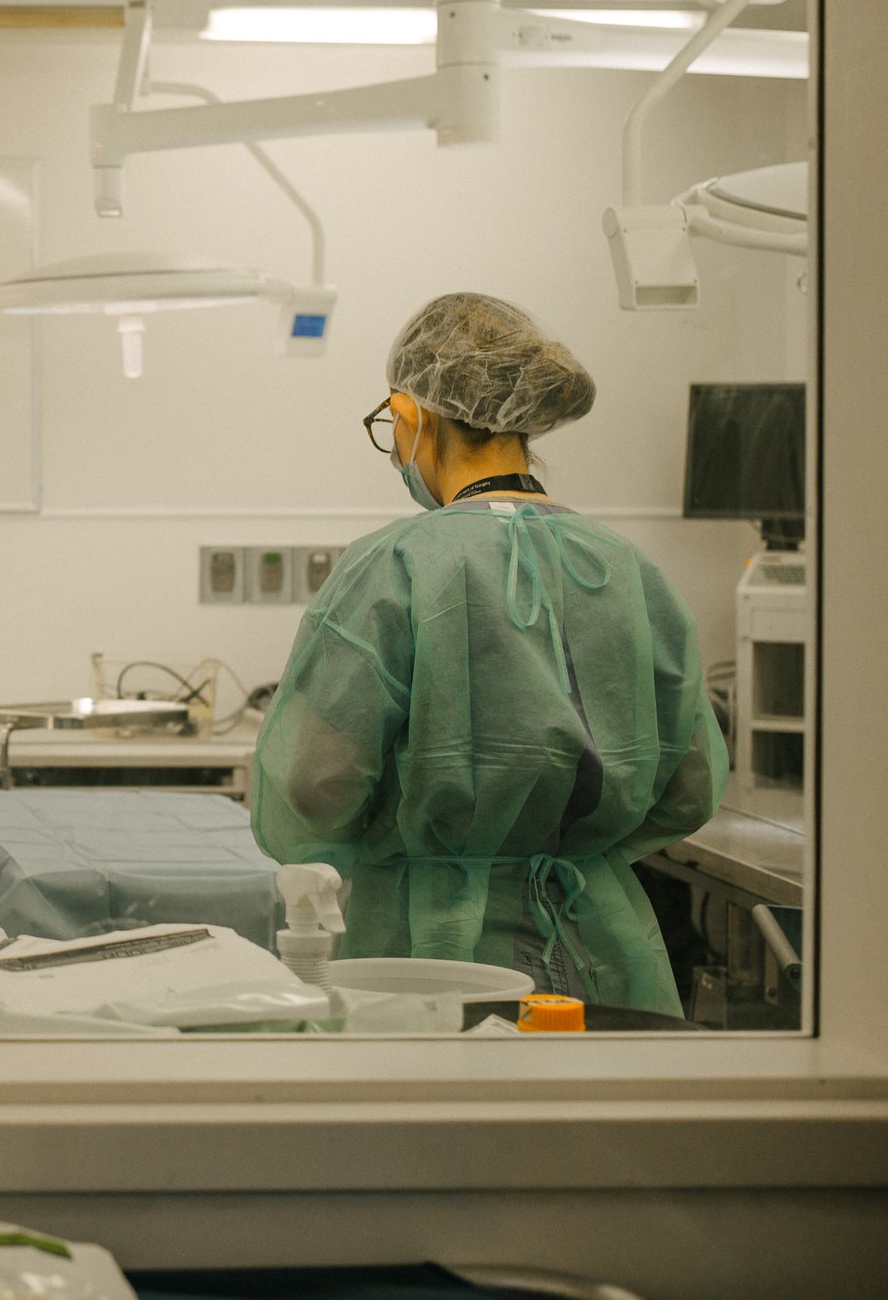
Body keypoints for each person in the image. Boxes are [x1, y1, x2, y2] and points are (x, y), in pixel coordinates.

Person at [252, 293, 726, 1016]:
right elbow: (690, 786)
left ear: (410, 414)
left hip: (427, 950)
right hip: (603, 943)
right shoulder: (627, 568)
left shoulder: (395, 566)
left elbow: (312, 789)